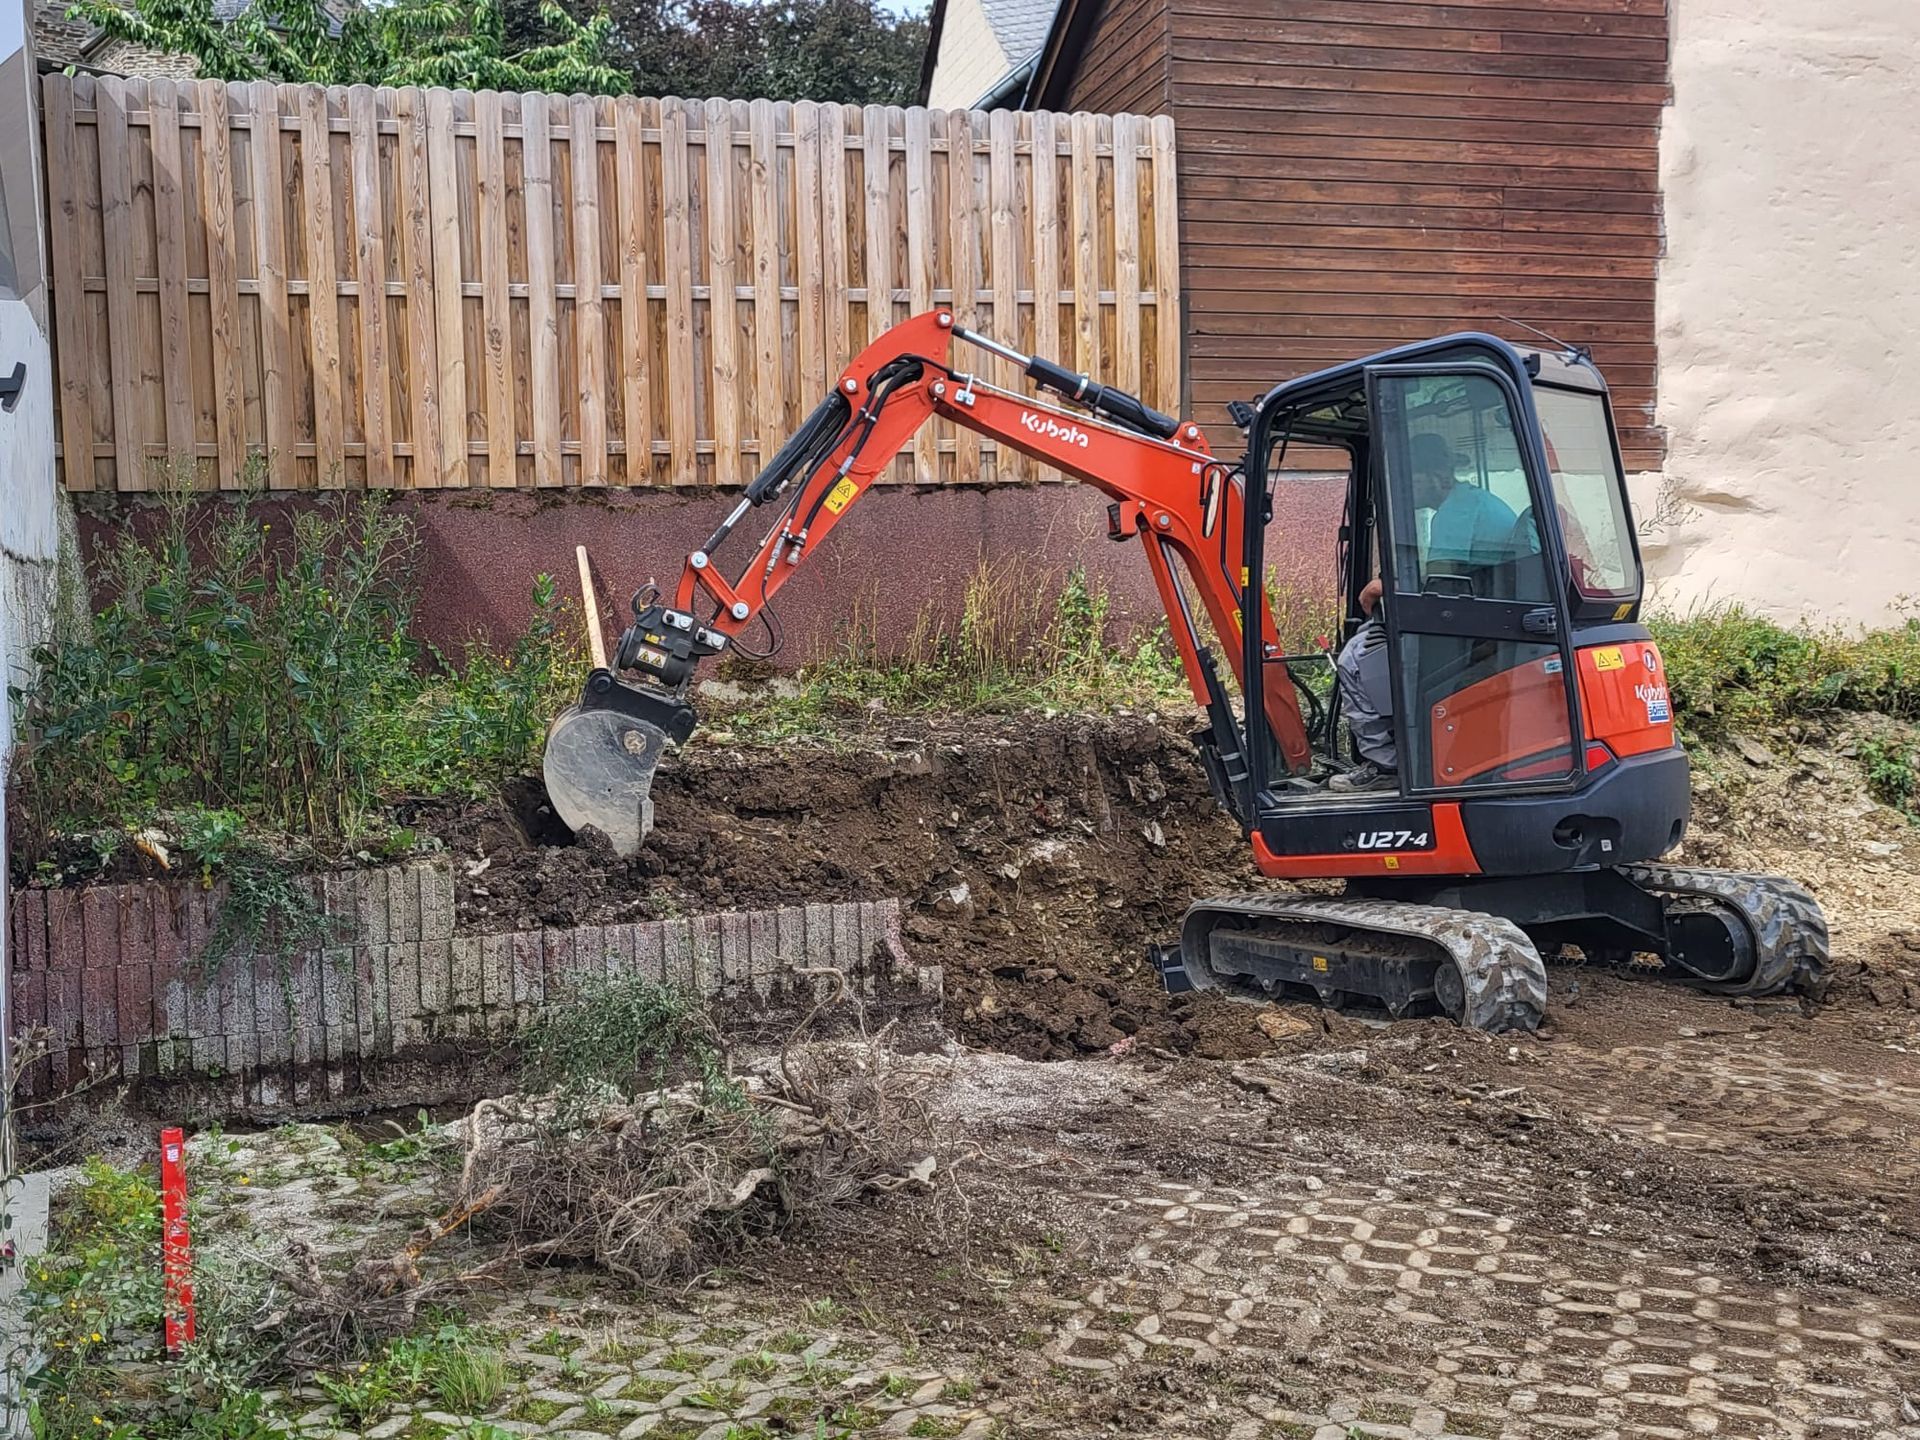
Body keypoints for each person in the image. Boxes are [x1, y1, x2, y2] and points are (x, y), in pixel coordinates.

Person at [1330, 434, 1519, 793]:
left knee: (1355, 658)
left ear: (1438, 475)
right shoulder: (1473, 502)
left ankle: (1388, 764)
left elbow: (1437, 587)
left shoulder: (1456, 512)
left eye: (1412, 479)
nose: (1408, 490)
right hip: (1483, 622)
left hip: (1471, 636)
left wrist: (1381, 586)